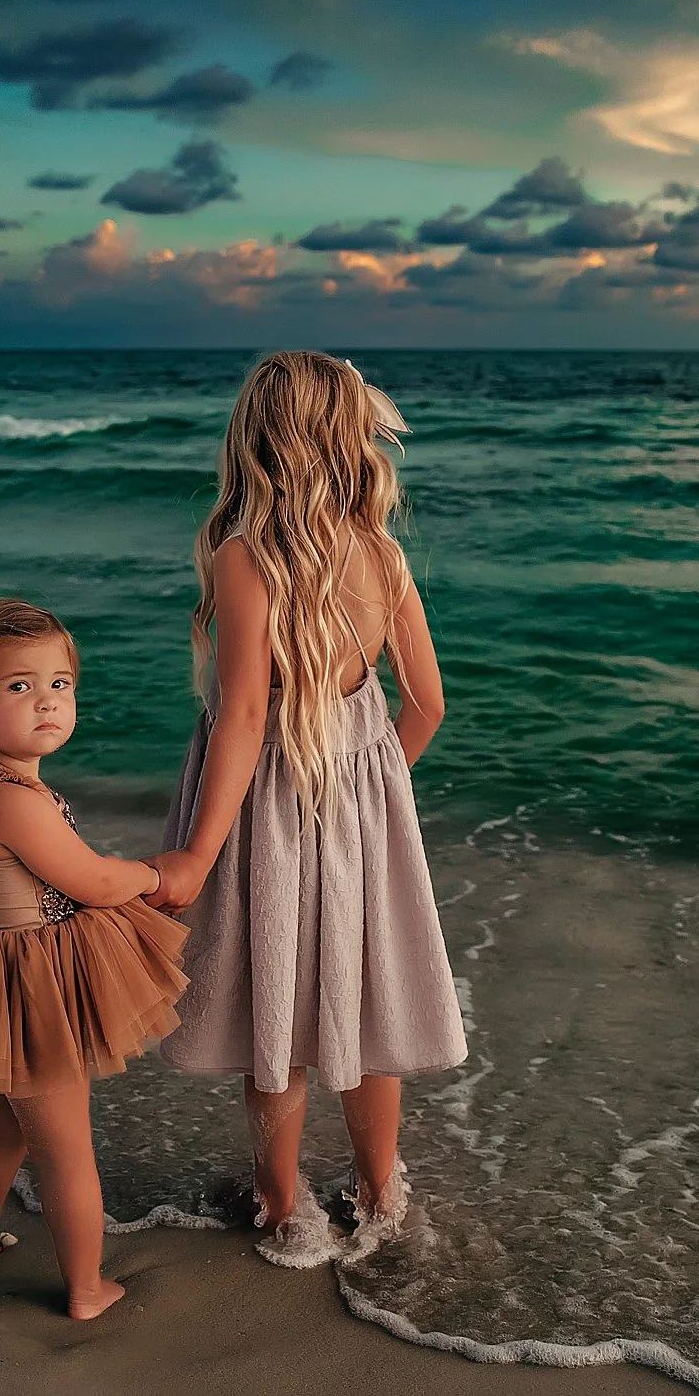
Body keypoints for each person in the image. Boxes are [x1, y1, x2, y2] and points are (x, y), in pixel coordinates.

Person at [147, 351, 466, 1268]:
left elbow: (246, 713)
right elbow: (427, 706)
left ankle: (284, 1209)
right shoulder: (381, 551)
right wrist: (373, 799)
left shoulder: (247, 558)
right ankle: (379, 1194)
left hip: (269, 809)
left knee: (273, 1005)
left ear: (257, 439)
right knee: (364, 1005)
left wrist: (200, 855)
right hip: (363, 809)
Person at [0, 597, 187, 1318]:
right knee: (64, 1149)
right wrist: (155, 873)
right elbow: (91, 881)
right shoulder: (17, 801)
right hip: (30, 989)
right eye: (19, 687)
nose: (47, 702)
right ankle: (87, 1288)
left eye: (60, 684)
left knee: (1, 1127)